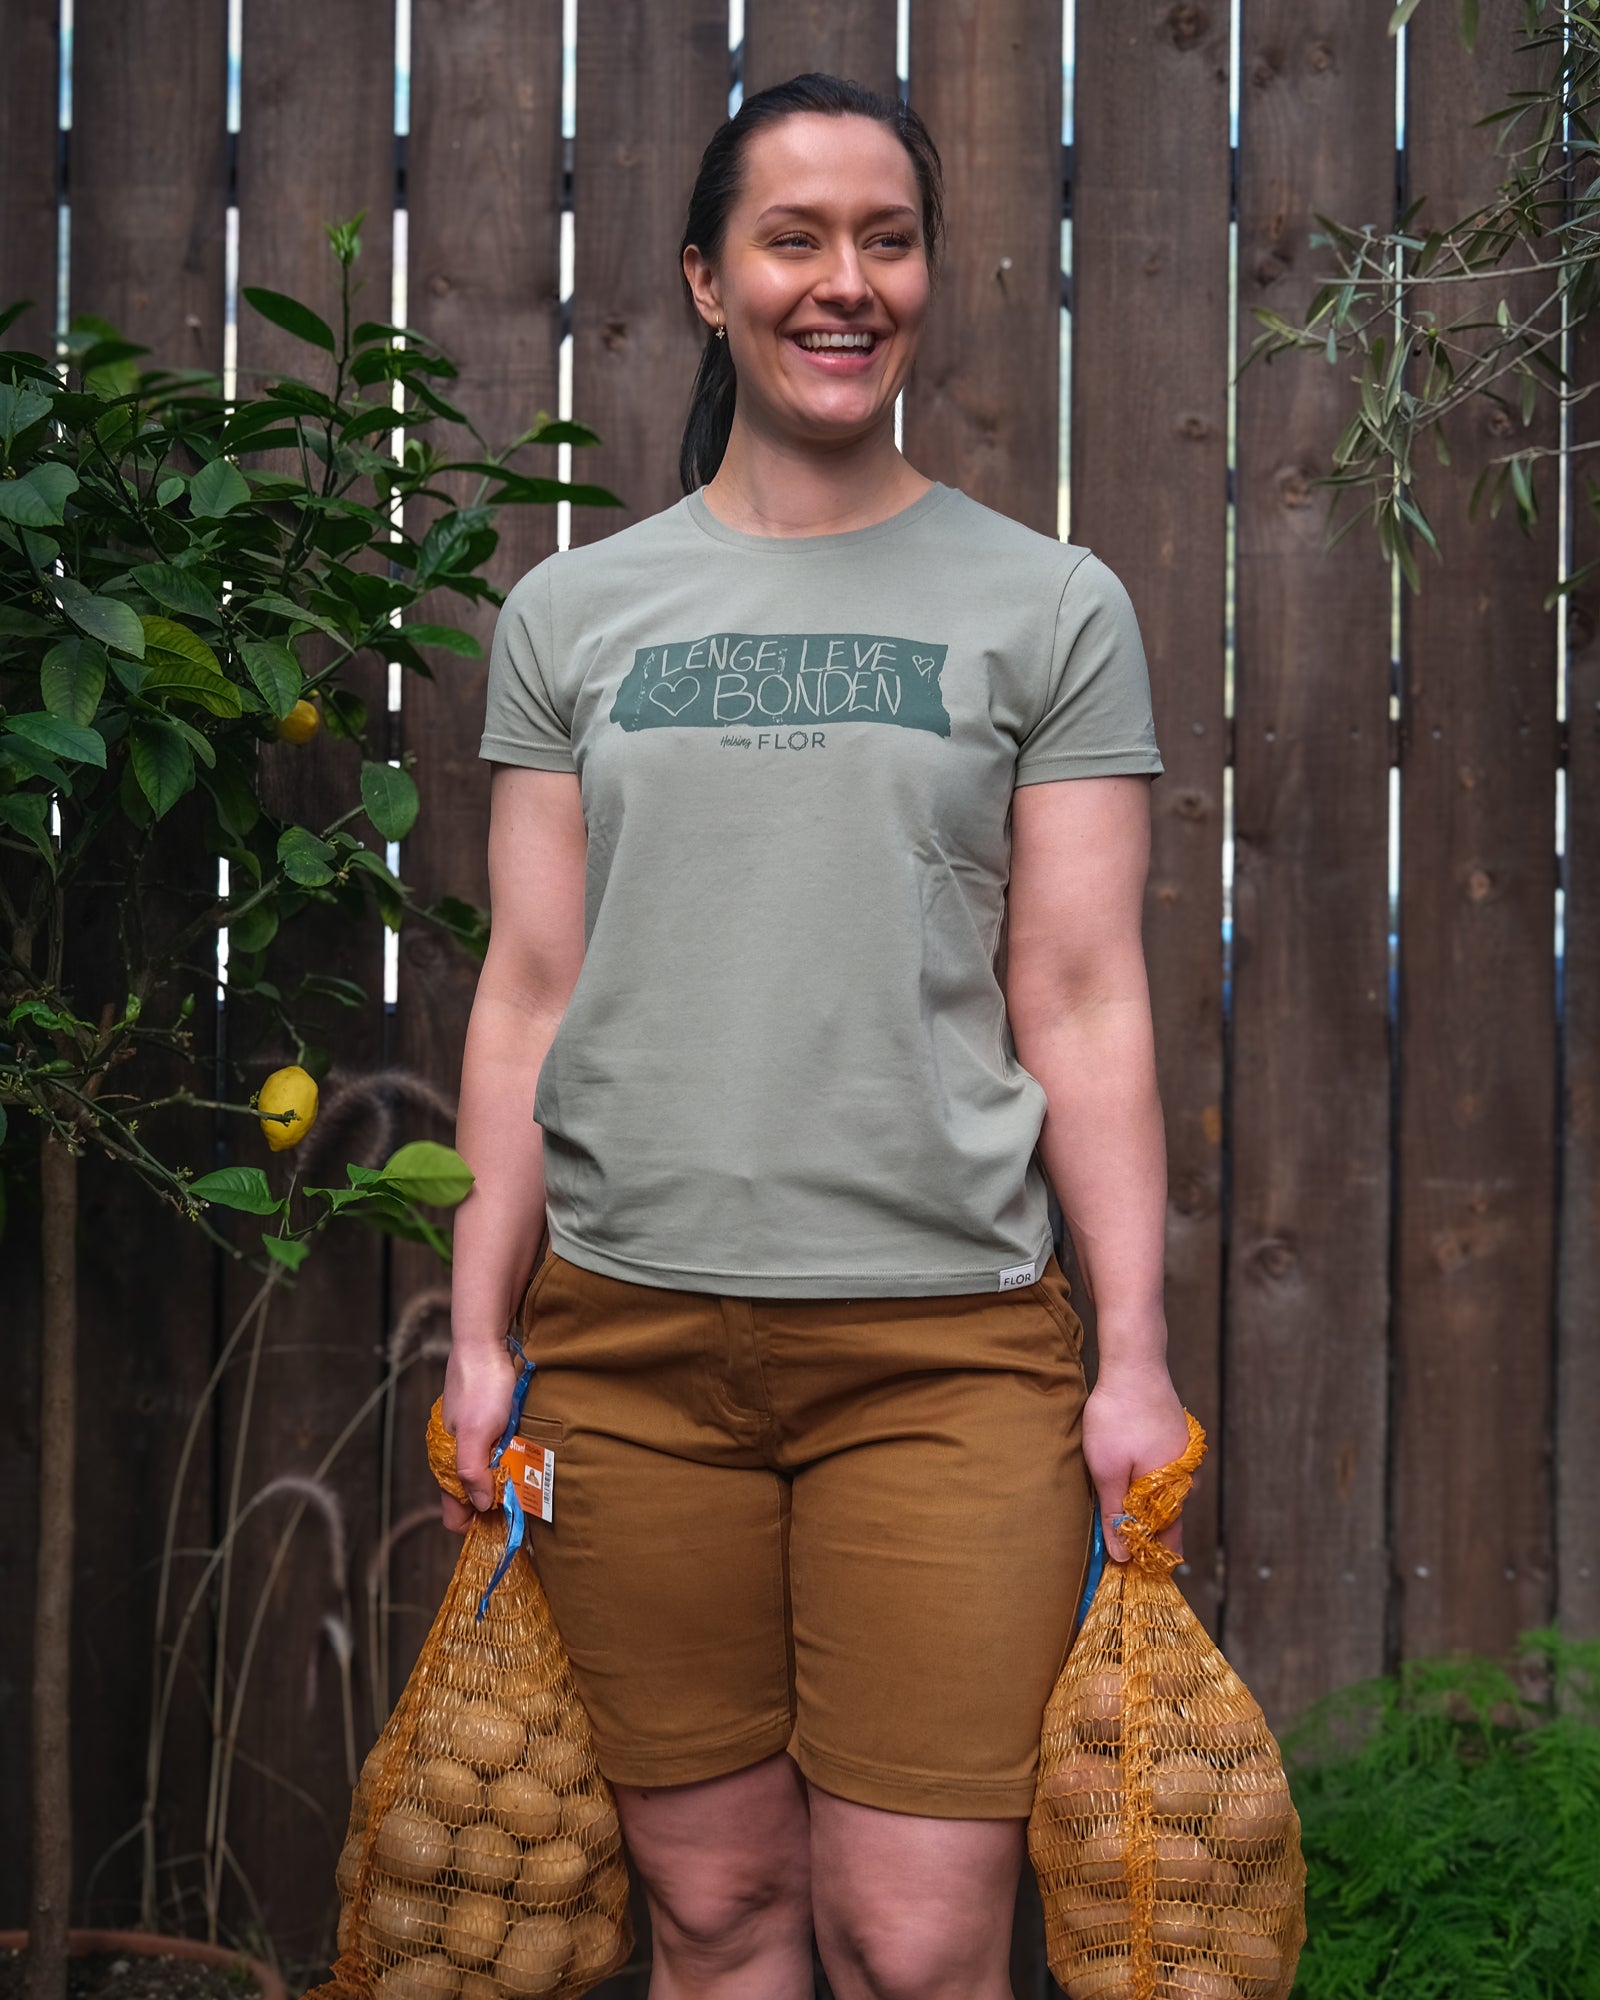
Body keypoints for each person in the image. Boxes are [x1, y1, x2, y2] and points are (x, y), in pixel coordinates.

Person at [442, 69, 1191, 2000]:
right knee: (712, 1914)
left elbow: (1084, 996)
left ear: (926, 276)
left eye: (888, 239)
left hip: (944, 1355)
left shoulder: (1049, 604)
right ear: (709, 281)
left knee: (919, 1940)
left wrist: (1133, 1358)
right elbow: (528, 991)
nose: (845, 281)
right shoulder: (574, 614)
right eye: (795, 239)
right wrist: (478, 1333)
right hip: (627, 1355)